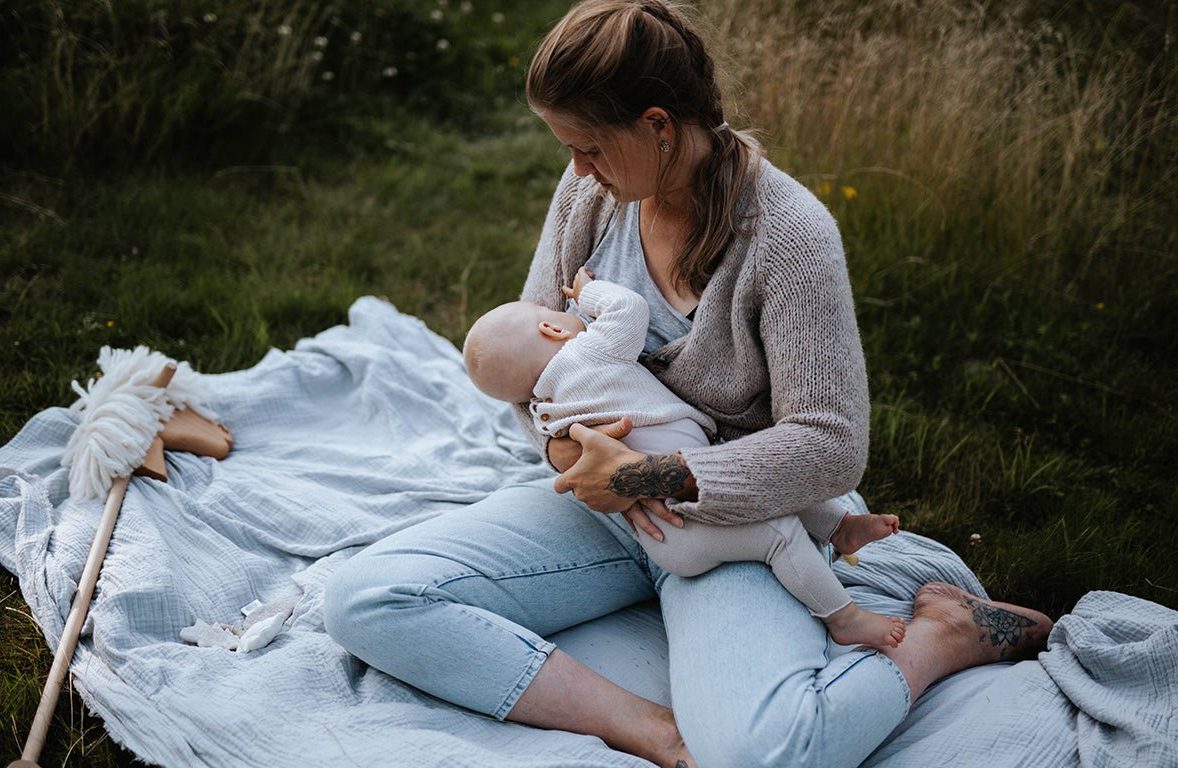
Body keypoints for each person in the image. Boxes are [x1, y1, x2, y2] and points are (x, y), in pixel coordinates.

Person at [323, 2, 1053, 766]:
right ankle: (649, 728)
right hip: (608, 509)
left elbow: (831, 447)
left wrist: (646, 474)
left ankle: (946, 636)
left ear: (658, 125)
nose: (576, 168)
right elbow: (532, 359)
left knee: (765, 755)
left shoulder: (788, 236)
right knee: (368, 596)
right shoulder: (590, 197)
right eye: (568, 147)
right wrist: (572, 461)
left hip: (745, 524)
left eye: (590, 146)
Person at [463, 267, 906, 647]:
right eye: (556, 312)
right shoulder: (587, 352)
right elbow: (629, 310)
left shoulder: (549, 408)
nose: (568, 312)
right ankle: (842, 617)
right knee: (779, 533)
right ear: (554, 329)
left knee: (758, 478)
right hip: (682, 526)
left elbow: (566, 452)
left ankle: (839, 528)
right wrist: (587, 294)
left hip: (669, 528)